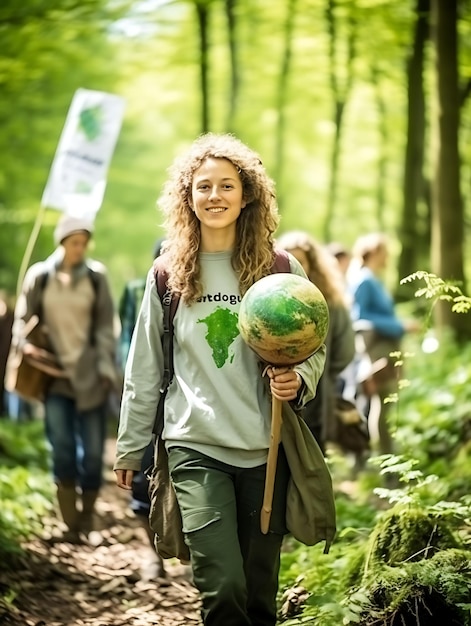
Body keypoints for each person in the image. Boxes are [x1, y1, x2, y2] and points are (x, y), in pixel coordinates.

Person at [114, 133, 326, 626]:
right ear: (187, 197)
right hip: (195, 447)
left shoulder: (279, 269)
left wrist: (299, 379)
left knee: (258, 597)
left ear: (247, 193)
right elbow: (144, 366)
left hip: (266, 450)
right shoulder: (168, 274)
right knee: (223, 588)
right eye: (203, 186)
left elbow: (313, 345)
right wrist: (130, 446)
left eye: (226, 186)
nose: (215, 196)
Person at [12, 214, 118, 543]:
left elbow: (105, 327)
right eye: (75, 242)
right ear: (62, 242)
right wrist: (25, 345)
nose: (80, 248)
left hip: (89, 375)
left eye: (84, 242)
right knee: (62, 448)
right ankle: (69, 524)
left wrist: (104, 368)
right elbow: (23, 320)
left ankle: (87, 517)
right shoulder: (40, 276)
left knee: (92, 453)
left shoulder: (96, 277)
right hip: (52, 375)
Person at [277, 231, 355, 453]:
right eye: (288, 259)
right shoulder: (267, 303)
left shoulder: (329, 302)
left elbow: (345, 350)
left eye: (300, 261)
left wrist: (320, 372)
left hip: (317, 396)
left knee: (312, 459)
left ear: (313, 265)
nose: (293, 266)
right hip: (274, 396)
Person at [117, 238, 166, 580]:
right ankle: (153, 557)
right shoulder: (138, 290)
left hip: (184, 398)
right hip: (147, 391)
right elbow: (127, 337)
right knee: (143, 479)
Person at [348, 232, 419, 455]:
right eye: (385, 252)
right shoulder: (364, 280)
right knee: (384, 402)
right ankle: (386, 462)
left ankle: (385, 458)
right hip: (378, 349)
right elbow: (360, 319)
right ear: (374, 252)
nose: (388, 256)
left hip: (386, 346)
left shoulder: (372, 279)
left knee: (386, 403)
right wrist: (399, 326)